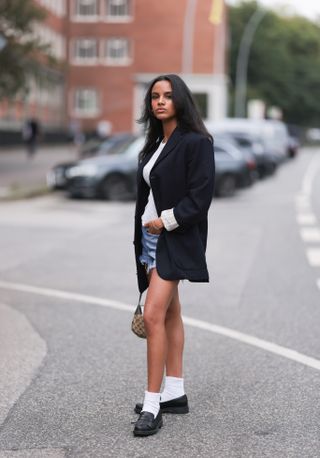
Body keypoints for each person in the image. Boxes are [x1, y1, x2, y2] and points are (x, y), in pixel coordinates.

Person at [133, 74, 215, 437]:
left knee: (152, 315)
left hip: (173, 235)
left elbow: (199, 200)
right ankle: (175, 391)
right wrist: (145, 228)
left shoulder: (197, 143)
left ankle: (152, 405)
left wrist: (164, 223)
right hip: (150, 238)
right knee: (170, 312)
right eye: (154, 97)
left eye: (167, 95)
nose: (160, 102)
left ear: (180, 99)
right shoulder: (153, 144)